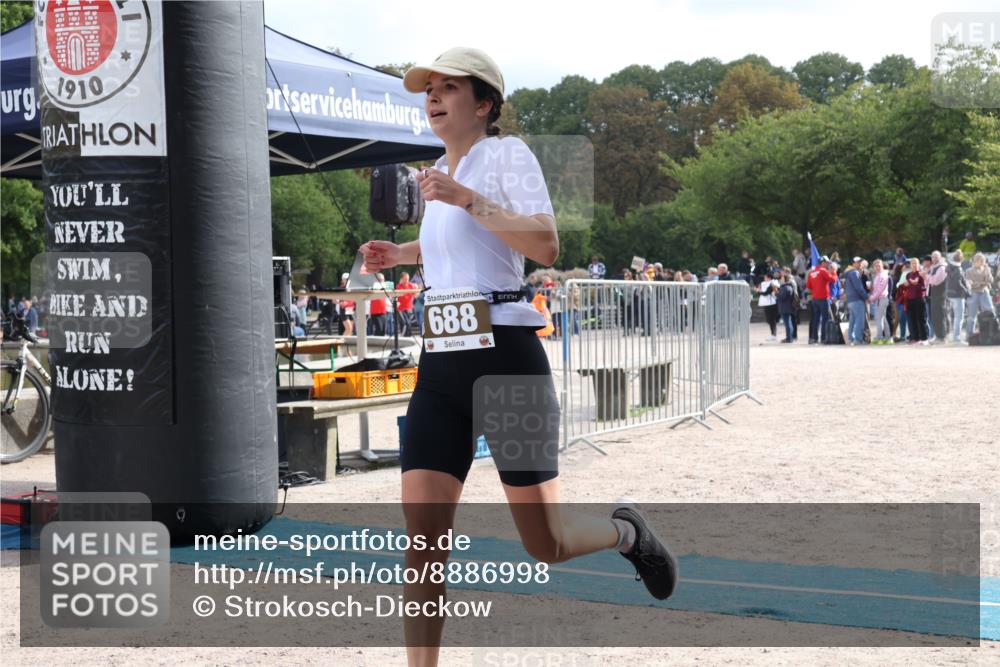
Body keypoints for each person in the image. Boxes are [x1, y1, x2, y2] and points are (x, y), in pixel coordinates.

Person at [362, 48, 677, 665]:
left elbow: (546, 244)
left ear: (485, 103)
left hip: (506, 360)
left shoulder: (509, 155)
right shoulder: (438, 170)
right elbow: (460, 249)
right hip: (441, 367)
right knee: (423, 544)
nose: (433, 97)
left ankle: (627, 533)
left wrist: (465, 198)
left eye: (449, 87)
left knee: (545, 543)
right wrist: (399, 255)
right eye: (429, 89)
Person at [806, 257, 837, 344]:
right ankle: (824, 338)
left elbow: (808, 286)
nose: (828, 264)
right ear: (822, 263)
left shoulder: (812, 272)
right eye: (827, 263)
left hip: (815, 299)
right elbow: (833, 280)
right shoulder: (823, 271)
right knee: (825, 319)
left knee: (816, 319)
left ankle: (814, 338)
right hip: (823, 298)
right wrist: (834, 272)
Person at [965, 252, 996, 340]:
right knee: (972, 315)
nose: (983, 262)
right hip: (973, 293)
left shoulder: (986, 269)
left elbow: (991, 280)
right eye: (981, 260)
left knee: (990, 311)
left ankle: (992, 332)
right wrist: (982, 283)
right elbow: (970, 284)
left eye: (983, 260)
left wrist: (987, 271)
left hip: (984, 292)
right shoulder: (969, 271)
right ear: (976, 260)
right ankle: (969, 335)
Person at [945, 250, 971, 344]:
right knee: (959, 317)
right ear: (961, 259)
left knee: (953, 317)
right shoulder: (959, 269)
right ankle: (956, 338)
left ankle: (953, 337)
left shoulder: (949, 267)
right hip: (958, 295)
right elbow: (959, 283)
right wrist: (967, 292)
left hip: (950, 294)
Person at [844, 257, 870, 345]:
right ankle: (858, 339)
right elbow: (859, 287)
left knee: (852, 320)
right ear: (853, 263)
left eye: (860, 262)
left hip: (850, 300)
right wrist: (866, 297)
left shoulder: (848, 272)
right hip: (857, 300)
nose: (859, 264)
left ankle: (850, 339)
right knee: (860, 320)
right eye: (858, 262)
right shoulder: (854, 272)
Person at [905, 258, 929, 344]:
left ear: (919, 265)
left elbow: (924, 287)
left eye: (916, 263)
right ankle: (916, 338)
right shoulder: (908, 275)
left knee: (921, 320)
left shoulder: (921, 274)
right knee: (913, 320)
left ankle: (924, 339)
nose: (914, 265)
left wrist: (915, 284)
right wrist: (906, 284)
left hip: (919, 299)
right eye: (913, 263)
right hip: (910, 299)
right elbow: (906, 287)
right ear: (910, 265)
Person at [867, 259, 891, 343]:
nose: (877, 267)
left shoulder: (883, 275)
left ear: (882, 266)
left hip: (881, 299)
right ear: (874, 267)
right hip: (879, 299)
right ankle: (887, 337)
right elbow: (876, 289)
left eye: (879, 265)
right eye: (876, 266)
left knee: (879, 319)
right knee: (883, 319)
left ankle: (879, 337)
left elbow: (880, 289)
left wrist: (871, 298)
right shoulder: (878, 275)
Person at [926, 251, 948, 344]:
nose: (934, 259)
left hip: (940, 296)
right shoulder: (933, 268)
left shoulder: (942, 268)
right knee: (935, 316)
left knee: (940, 316)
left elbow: (935, 281)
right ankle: (937, 336)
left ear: (940, 257)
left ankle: (942, 337)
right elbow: (929, 283)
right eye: (933, 257)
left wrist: (926, 276)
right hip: (934, 296)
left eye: (936, 257)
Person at [757, 269, 780, 341]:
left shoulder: (772, 284)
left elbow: (766, 293)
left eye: (765, 277)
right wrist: (759, 291)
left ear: (769, 278)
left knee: (772, 320)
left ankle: (774, 334)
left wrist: (758, 291)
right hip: (767, 304)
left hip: (771, 304)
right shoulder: (764, 283)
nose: (764, 279)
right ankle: (773, 334)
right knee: (769, 320)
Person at [776, 272, 797, 343]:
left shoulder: (786, 287)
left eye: (782, 278)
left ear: (785, 279)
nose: (780, 280)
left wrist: (776, 293)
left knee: (788, 323)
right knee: (788, 323)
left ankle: (789, 338)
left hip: (786, 308)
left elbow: (782, 297)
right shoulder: (787, 287)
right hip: (786, 307)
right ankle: (789, 337)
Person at [395, 271, 417, 337]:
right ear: (402, 279)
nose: (407, 280)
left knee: (409, 323)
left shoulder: (410, 285)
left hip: (409, 307)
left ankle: (408, 336)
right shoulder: (399, 286)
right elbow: (400, 294)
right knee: (405, 323)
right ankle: (403, 336)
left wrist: (416, 289)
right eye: (405, 279)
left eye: (408, 279)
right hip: (401, 308)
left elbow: (415, 295)